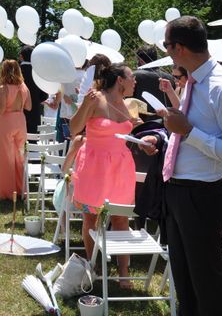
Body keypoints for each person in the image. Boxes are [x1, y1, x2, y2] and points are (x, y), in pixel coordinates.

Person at [144, 16, 222, 315]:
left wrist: (188, 132)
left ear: (178, 48)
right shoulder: (191, 81)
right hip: (176, 191)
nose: (166, 51)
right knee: (184, 280)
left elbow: (194, 132)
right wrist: (163, 141)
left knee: (207, 282)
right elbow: (185, 129)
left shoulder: (218, 86)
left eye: (166, 45)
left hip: (201, 194)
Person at [69, 62, 137, 288]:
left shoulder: (127, 104)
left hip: (121, 168)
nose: (134, 81)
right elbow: (74, 128)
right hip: (95, 167)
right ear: (120, 80)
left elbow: (125, 134)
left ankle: (123, 273)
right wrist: (84, 106)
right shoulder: (96, 98)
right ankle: (92, 267)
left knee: (121, 217)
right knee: (91, 217)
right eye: (132, 77)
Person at [0, 60, 31, 200]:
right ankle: (22, 190)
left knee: (6, 158)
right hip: (20, 121)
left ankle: (9, 193)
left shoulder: (4, 88)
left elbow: (0, 110)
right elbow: (29, 107)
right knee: (20, 156)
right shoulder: (24, 87)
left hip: (7, 122)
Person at [133, 45, 174, 119]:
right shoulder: (170, 78)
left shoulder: (135, 76)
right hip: (166, 122)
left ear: (141, 61)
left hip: (142, 124)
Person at [19, 46, 47, 133]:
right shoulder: (38, 71)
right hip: (35, 111)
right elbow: (44, 95)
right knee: (33, 142)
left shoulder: (16, 71)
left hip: (18, 112)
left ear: (21, 56)